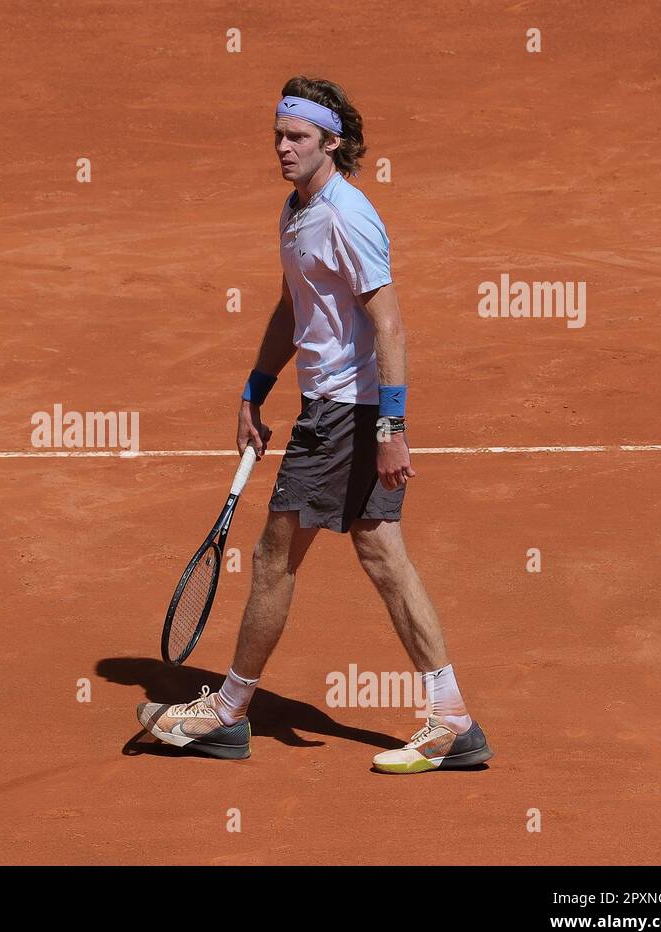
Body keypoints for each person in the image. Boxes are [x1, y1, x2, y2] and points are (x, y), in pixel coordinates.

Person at [136, 76, 493, 773]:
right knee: (385, 557)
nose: (281, 147)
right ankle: (453, 719)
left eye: (296, 137)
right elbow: (291, 308)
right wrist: (256, 388)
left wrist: (393, 425)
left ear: (332, 142)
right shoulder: (296, 212)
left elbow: (388, 320)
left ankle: (228, 713)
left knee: (273, 556)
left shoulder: (345, 215)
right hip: (335, 409)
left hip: (343, 414)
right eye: (277, 134)